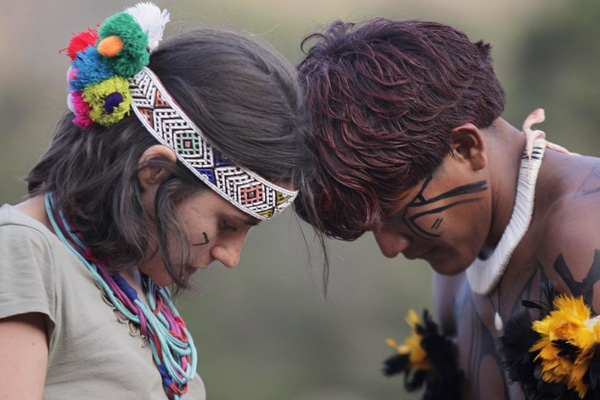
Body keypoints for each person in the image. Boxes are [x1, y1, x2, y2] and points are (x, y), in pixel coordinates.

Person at [0, 3, 308, 399]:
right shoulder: (22, 252)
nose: (230, 256)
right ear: (156, 172)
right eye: (227, 225)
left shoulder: (137, 289)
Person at [295, 18, 600, 400]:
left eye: (394, 212)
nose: (390, 248)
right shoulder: (455, 277)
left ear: (466, 148)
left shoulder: (585, 232)